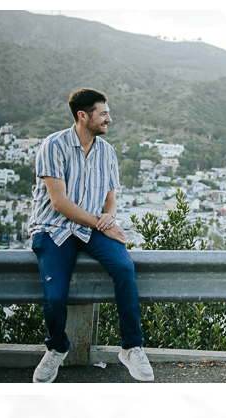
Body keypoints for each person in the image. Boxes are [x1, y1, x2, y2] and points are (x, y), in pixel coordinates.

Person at [29, 87, 154, 384]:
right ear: (83, 116)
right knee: (56, 295)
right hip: (54, 228)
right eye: (103, 113)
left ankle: (131, 347)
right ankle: (57, 348)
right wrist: (103, 224)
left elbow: (110, 198)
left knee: (124, 268)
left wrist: (108, 217)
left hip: (91, 226)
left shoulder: (107, 152)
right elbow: (59, 203)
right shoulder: (53, 146)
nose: (109, 118)